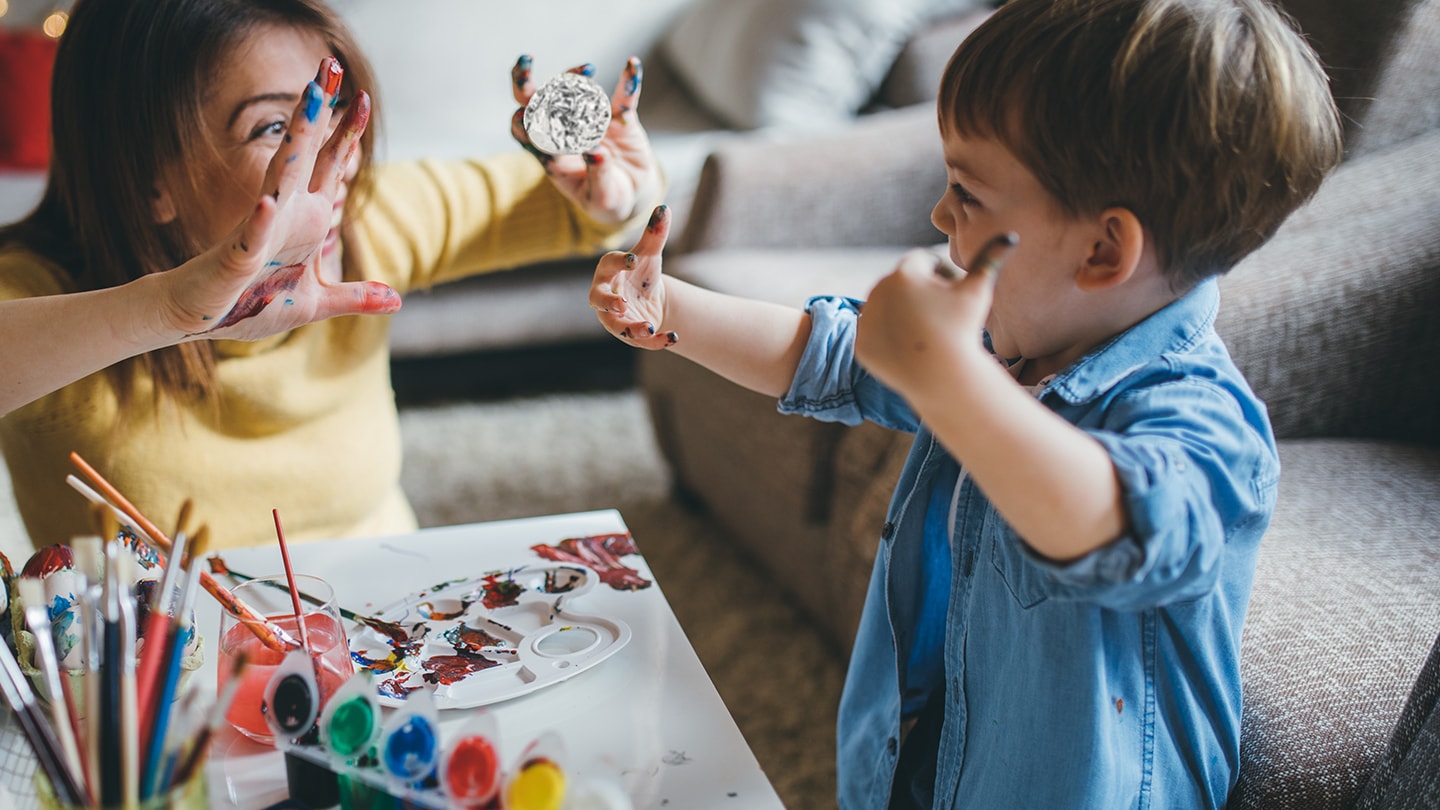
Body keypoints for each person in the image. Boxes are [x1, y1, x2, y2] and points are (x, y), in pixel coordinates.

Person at [590, 0, 1341, 806]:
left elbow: (1113, 523)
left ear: (1102, 249)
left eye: (967, 193)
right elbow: (837, 358)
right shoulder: (1006, 346)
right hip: (944, 764)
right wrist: (671, 312)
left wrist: (951, 377)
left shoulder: (1206, 429)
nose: (939, 215)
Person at [0, 0, 662, 551]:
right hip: (164, 683)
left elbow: (591, 205)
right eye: (276, 127)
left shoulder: (370, 220)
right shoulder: (43, 295)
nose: (334, 160)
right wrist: (172, 311)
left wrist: (621, 192)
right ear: (148, 182)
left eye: (334, 109)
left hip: (385, 636)